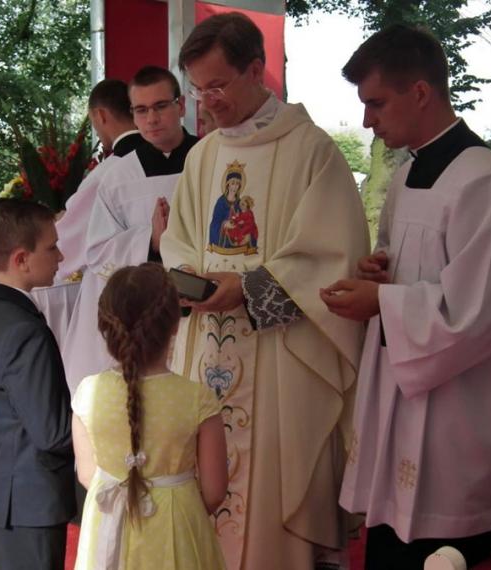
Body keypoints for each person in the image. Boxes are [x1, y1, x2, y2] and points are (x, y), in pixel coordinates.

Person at [319, 24, 491, 569]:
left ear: (420, 92)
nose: (367, 121)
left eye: (376, 103)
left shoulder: (485, 182)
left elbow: (478, 313)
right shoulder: (407, 176)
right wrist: (379, 269)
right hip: (402, 400)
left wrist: (381, 303)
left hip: (458, 417)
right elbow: (403, 263)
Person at [160, 12, 370, 570]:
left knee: (276, 485)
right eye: (198, 90)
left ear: (257, 70)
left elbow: (331, 257)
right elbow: (179, 240)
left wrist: (249, 288)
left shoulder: (312, 151)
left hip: (282, 354)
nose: (207, 103)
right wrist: (190, 278)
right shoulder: (203, 155)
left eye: (218, 86)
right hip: (209, 346)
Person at [71, 263, 228, 570]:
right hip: (176, 528)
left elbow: (87, 475)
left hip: (109, 525)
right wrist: (177, 507)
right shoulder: (197, 398)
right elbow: (214, 491)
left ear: (105, 327)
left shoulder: (87, 392)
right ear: (174, 325)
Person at [62, 65, 199, 393]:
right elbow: (98, 252)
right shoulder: (118, 176)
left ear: (180, 105)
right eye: (141, 110)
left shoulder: (208, 159)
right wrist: (150, 240)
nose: (151, 119)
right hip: (149, 317)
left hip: (203, 307)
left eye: (161, 106)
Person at [0, 199, 76, 570]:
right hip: (29, 497)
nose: (61, 256)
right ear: (22, 259)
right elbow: (52, 433)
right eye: (52, 247)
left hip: (1, 485)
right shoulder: (25, 330)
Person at [55, 79, 145, 282]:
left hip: (119, 283)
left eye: (92, 121)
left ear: (100, 115)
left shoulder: (107, 174)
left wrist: (57, 222)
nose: (95, 130)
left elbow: (67, 242)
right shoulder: (174, 162)